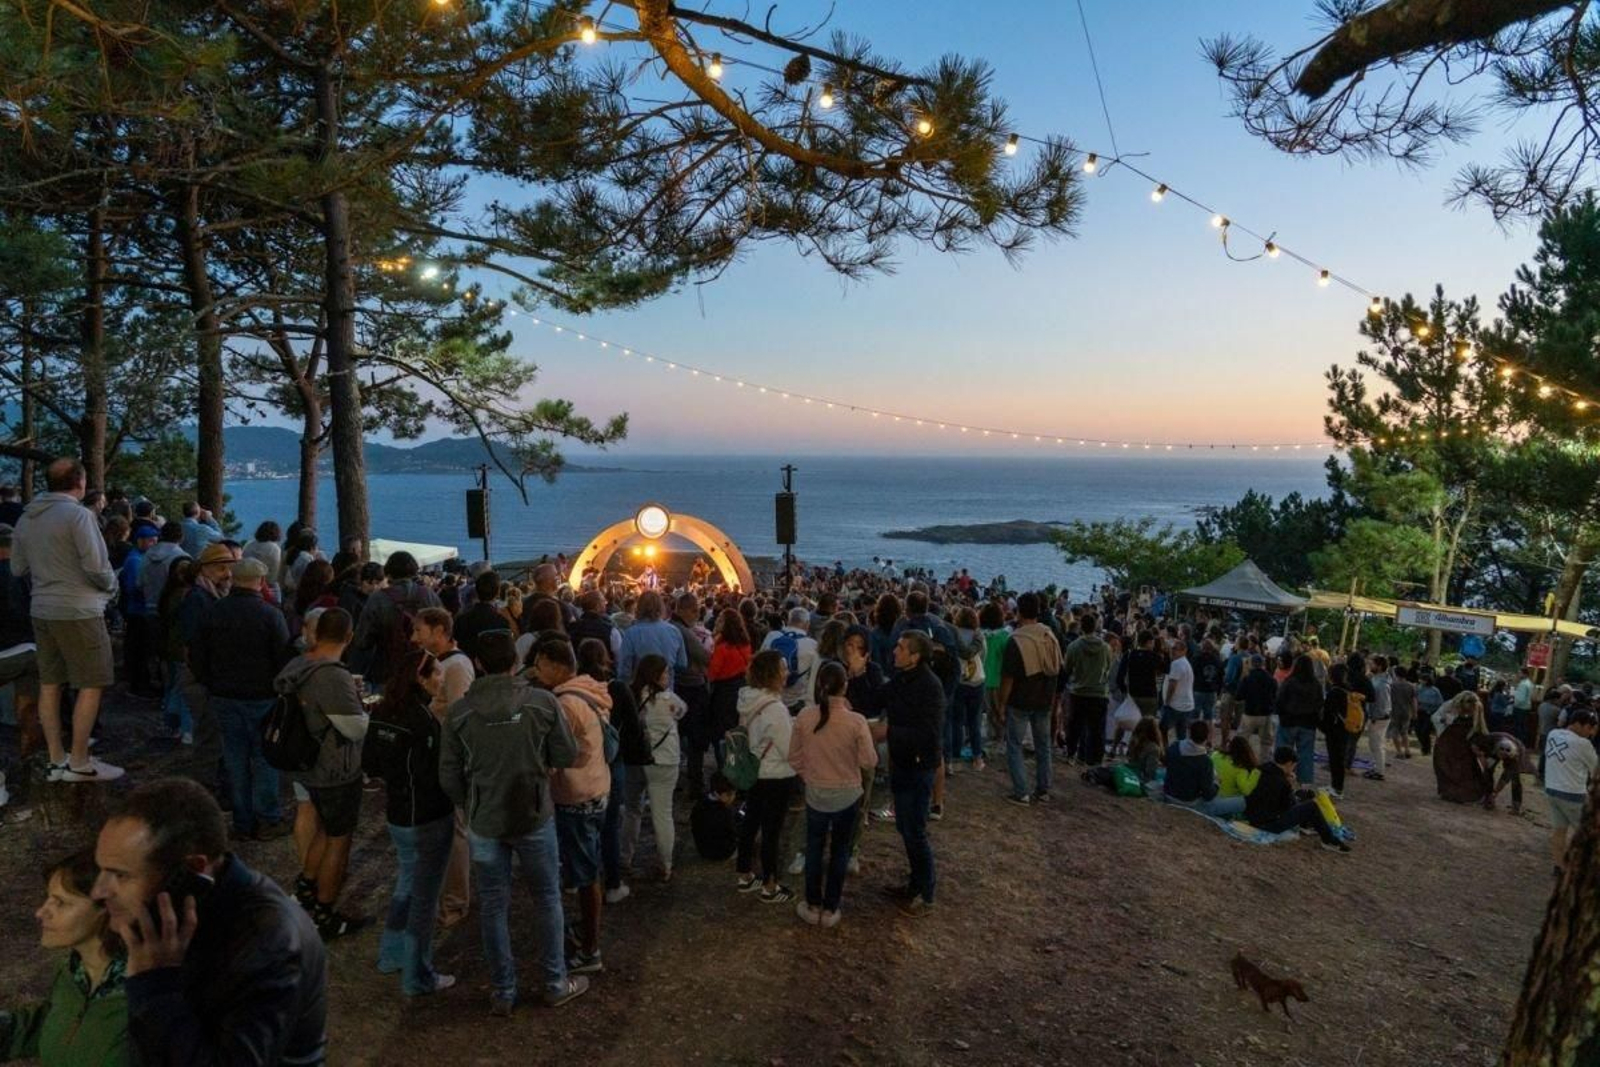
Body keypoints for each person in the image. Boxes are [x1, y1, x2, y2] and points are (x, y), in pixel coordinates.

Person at [91, 778, 328, 1064]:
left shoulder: (269, 940)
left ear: (192, 869)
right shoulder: (181, 913)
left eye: (121, 875)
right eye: (101, 870)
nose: (98, 891)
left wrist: (154, 987)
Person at [439, 631, 586, 1017]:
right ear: (516, 662)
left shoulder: (460, 713)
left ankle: (503, 990)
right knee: (547, 897)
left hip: (485, 818)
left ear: (479, 664)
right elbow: (566, 754)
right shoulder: (541, 702)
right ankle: (555, 982)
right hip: (533, 813)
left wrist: (469, 803)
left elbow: (449, 774)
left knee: (493, 904)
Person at [11, 458, 121, 782]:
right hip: (79, 610)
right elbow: (97, 566)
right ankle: (80, 761)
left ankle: (57, 758)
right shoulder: (79, 516)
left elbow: (17, 567)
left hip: (42, 609)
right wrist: (112, 586)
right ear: (80, 482)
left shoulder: (27, 517)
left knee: (50, 684)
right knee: (92, 682)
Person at [362, 646, 457, 996]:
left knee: (406, 885)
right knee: (424, 898)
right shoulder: (422, 720)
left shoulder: (383, 712)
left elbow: (370, 763)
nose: (441, 679)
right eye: (436, 673)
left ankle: (392, 954)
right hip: (427, 817)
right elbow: (433, 774)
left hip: (398, 814)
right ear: (420, 677)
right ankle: (418, 974)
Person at [273, 608, 371, 939]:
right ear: (349, 636)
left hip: (307, 764)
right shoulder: (331, 675)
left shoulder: (299, 664)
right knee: (338, 841)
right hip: (334, 769)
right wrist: (369, 712)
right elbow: (354, 728)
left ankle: (306, 888)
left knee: (323, 832)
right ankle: (324, 914)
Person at [189, 558, 293, 842]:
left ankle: (242, 820)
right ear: (261, 581)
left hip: (224, 695)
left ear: (233, 579)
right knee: (264, 758)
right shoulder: (270, 615)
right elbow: (283, 658)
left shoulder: (213, 612)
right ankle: (268, 818)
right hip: (263, 697)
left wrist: (210, 682)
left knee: (234, 758)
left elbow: (197, 654)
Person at [0, 849, 128, 1065]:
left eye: (61, 903)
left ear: (106, 909)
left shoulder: (143, 997)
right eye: (48, 898)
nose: (41, 912)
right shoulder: (74, 974)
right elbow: (57, 1026)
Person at [847, 632, 944, 916]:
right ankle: (915, 884)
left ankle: (926, 892)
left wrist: (889, 731)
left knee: (915, 830)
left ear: (915, 656)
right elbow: (873, 701)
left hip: (918, 766)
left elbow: (929, 735)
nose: (894, 652)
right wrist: (858, 674)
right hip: (902, 763)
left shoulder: (929, 687)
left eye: (901, 648)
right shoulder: (902, 679)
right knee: (905, 826)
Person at [532, 636, 612, 976]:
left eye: (539, 665)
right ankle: (586, 931)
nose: (536, 672)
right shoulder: (590, 690)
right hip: (597, 784)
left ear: (555, 665)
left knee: (585, 873)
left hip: (576, 793)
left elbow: (556, 753)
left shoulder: (565, 703)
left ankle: (590, 950)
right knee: (589, 865)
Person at [788, 661, 878, 928]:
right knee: (840, 851)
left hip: (816, 793)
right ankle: (830, 908)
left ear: (818, 685)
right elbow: (869, 761)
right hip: (847, 795)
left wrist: (810, 776)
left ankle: (812, 904)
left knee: (814, 848)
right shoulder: (856, 721)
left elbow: (794, 757)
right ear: (845, 686)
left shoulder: (805, 716)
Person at [733, 650, 798, 904]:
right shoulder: (775, 708)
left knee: (751, 822)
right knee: (772, 830)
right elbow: (789, 750)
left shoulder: (747, 700)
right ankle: (771, 885)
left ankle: (744, 873)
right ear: (772, 674)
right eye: (783, 668)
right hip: (776, 775)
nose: (787, 673)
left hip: (754, 771)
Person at [997, 592, 1061, 806]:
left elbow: (1008, 678)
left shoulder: (1016, 640)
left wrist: (1002, 704)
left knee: (1014, 745)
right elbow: (1056, 670)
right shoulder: (1049, 636)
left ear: (1019, 612)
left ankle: (1021, 791)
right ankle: (1043, 789)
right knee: (1043, 745)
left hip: (1020, 699)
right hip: (1044, 698)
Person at [627, 654, 684, 881]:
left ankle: (625, 858)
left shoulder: (632, 696)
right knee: (663, 814)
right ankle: (665, 864)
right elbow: (682, 711)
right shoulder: (669, 699)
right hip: (665, 760)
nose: (668, 676)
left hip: (636, 759)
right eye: (665, 672)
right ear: (657, 676)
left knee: (631, 809)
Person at [353, 551, 443, 694]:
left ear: (388, 573)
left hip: (385, 672)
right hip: (423, 672)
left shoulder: (378, 599)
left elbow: (362, 641)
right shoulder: (430, 596)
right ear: (414, 570)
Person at [1245, 746, 1351, 853]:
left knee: (1304, 794)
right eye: (1294, 766)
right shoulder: (1282, 782)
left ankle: (1308, 825)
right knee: (1311, 806)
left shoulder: (1261, 769)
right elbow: (1289, 806)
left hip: (1252, 816)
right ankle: (1328, 840)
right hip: (1267, 824)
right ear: (1289, 763)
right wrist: (1290, 786)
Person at [0, 523, 42, 776]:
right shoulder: (30, 574)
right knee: (29, 711)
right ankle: (29, 764)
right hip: (34, 651)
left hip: (4, 653)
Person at [1542, 708, 1598, 877]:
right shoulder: (1583, 744)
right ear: (1579, 724)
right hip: (1573, 795)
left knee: (1559, 830)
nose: (1591, 733)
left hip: (1552, 790)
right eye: (1589, 728)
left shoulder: (1553, 734)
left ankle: (1559, 866)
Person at [670, 592, 715, 793]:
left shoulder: (673, 626)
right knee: (696, 737)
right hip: (692, 687)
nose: (697, 615)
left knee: (678, 735)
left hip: (678, 686)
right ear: (683, 610)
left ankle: (679, 778)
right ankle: (695, 782)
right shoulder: (684, 632)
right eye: (694, 610)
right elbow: (704, 657)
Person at [1061, 612, 1113, 768]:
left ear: (1081, 627)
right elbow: (1108, 668)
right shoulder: (1105, 647)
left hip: (1079, 691)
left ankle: (1071, 753)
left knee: (1075, 726)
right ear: (1095, 626)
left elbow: (1067, 668)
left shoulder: (1074, 646)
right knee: (1097, 729)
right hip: (1099, 692)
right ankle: (1096, 760)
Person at [1162, 720, 1243, 817]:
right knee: (1241, 802)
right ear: (1207, 736)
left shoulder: (1174, 746)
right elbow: (1208, 795)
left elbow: (1166, 763)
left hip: (1168, 796)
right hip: (1190, 805)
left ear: (1189, 733)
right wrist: (1217, 783)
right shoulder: (1205, 761)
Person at [119, 522, 162, 699]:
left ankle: (142, 683)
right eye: (151, 541)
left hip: (140, 610)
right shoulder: (135, 561)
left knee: (142, 650)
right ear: (140, 541)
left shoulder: (140, 558)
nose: (154, 544)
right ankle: (138, 686)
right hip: (138, 611)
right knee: (140, 650)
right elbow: (133, 587)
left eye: (156, 540)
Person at [616, 591, 687, 689]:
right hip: (666, 691)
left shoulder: (631, 633)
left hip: (639, 691)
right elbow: (682, 664)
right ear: (661, 607)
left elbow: (624, 669)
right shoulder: (674, 631)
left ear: (639, 608)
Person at [1432, 692, 1490, 804]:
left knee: (1461, 771)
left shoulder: (1471, 717)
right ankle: (1452, 792)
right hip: (1451, 747)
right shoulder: (1455, 711)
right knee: (1451, 769)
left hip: (1459, 750)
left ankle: (1459, 793)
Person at [1274, 654, 1323, 785]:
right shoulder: (1316, 684)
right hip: (1308, 724)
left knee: (1283, 753)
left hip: (1288, 722)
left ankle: (1280, 779)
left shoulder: (1289, 682)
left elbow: (1279, 700)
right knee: (1306, 754)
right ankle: (1305, 783)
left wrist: (1281, 714)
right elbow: (1320, 703)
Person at [949, 606, 988, 771]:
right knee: (974, 721)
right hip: (977, 681)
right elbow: (983, 656)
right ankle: (977, 758)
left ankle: (954, 757)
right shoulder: (979, 636)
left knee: (956, 721)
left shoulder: (953, 634)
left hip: (959, 681)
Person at [761, 606, 820, 712]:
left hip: (769, 699)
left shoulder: (772, 636)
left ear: (789, 620)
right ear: (807, 624)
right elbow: (813, 679)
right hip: (796, 702)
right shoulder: (813, 645)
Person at [1470, 730, 1527, 814]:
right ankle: (1486, 796)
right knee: (1488, 770)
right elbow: (1474, 744)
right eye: (1501, 755)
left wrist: (1495, 793)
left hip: (1515, 751)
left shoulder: (1516, 756)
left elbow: (1505, 778)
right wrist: (1480, 755)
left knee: (1515, 778)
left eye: (1504, 756)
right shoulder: (1489, 740)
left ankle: (1516, 806)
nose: (1502, 758)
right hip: (1494, 749)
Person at [691, 773, 740, 861]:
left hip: (703, 850)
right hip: (722, 853)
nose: (734, 797)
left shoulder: (700, 803)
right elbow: (733, 833)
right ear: (724, 795)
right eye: (732, 794)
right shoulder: (725, 812)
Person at [1212, 735, 1261, 800]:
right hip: (1228, 800)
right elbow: (1246, 791)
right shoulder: (1240, 767)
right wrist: (1256, 773)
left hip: (1211, 795)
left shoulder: (1215, 755)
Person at [1124, 717, 1164, 784]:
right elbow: (1150, 772)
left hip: (1130, 773)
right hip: (1142, 779)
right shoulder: (1153, 747)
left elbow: (1129, 759)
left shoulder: (1133, 741)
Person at [1416, 672, 1444, 756]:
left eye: (1423, 680)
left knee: (1425, 731)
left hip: (1429, 713)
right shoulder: (1419, 688)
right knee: (1418, 731)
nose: (1421, 681)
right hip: (1419, 711)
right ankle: (1424, 746)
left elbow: (1440, 702)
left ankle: (1426, 748)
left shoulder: (1434, 690)